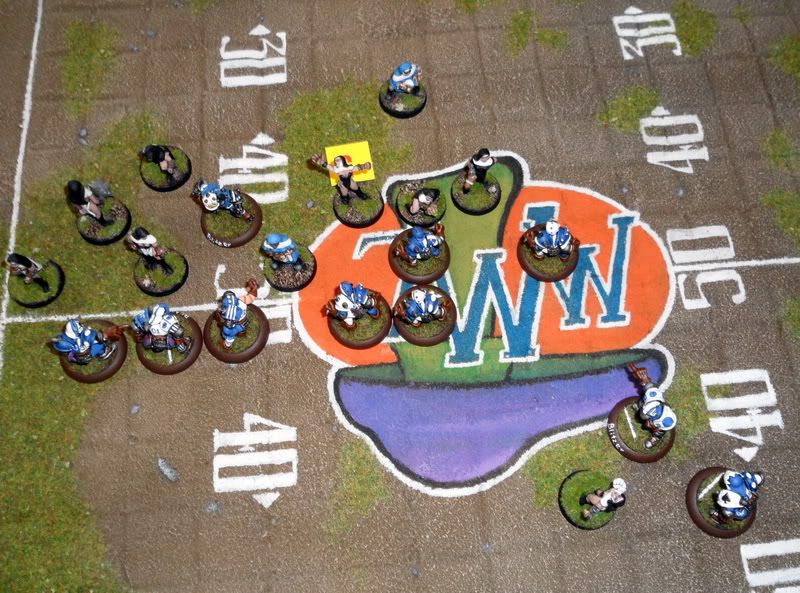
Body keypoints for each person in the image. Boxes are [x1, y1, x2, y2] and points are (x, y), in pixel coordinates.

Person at [627, 363, 677, 449]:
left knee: (659, 432)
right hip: (645, 404)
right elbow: (649, 385)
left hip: (654, 416)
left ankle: (656, 437)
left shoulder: (661, 422)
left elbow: (657, 427)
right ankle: (639, 406)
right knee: (640, 405)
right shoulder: (653, 396)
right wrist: (644, 378)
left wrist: (654, 428)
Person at [216, 279, 259, 349]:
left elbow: (228, 329)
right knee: (236, 330)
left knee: (227, 334)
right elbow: (251, 297)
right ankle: (242, 332)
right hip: (243, 322)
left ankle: (227, 345)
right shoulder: (241, 300)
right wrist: (254, 288)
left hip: (237, 326)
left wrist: (223, 322)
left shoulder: (229, 315)